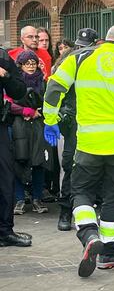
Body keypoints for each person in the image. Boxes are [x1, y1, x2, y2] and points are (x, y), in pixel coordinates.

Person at [42, 24, 114, 277]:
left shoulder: (79, 58)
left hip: (88, 144)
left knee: (81, 191)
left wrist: (49, 120)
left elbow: (54, 88)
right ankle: (108, 252)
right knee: (113, 196)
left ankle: (88, 234)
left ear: (106, 39)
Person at [55, 28, 98, 232]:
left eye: (85, 48)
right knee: (70, 164)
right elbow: (57, 91)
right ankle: (65, 210)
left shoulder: (100, 66)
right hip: (74, 123)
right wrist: (62, 115)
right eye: (80, 47)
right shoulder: (69, 62)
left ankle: (87, 209)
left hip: (95, 122)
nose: (82, 51)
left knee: (93, 168)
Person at [9, 50, 50, 215]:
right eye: (27, 63)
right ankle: (19, 199)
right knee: (19, 161)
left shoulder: (43, 80)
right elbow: (8, 103)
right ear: (21, 65)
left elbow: (49, 100)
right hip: (19, 125)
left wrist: (39, 111)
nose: (31, 67)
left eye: (33, 63)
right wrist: (25, 111)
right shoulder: (15, 81)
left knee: (39, 162)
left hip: (39, 124)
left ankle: (37, 199)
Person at [0, 47, 32, 247]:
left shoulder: (2, 56)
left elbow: (20, 90)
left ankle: (4, 231)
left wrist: (5, 76)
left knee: (5, 177)